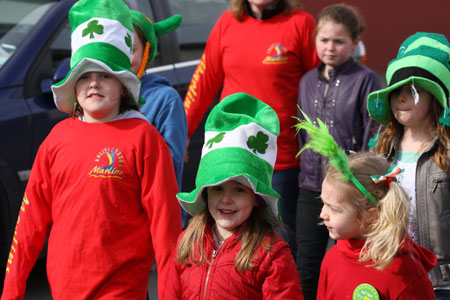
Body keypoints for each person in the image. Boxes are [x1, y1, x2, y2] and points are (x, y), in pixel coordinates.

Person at [1, 0, 181, 299]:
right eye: (84, 76)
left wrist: (171, 293)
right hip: (64, 289)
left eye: (106, 74)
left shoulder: (144, 137)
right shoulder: (56, 139)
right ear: (72, 86)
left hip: (123, 290)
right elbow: (28, 225)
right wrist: (12, 290)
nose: (94, 84)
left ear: (124, 84)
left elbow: (167, 228)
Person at [183, 0, 319, 259]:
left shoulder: (301, 24)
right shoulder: (227, 23)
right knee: (232, 241)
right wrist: (184, 132)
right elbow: (203, 81)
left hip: (280, 161)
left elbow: (320, 87)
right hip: (230, 156)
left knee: (279, 245)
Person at [164, 92, 304, 299]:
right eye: (217, 188)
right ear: (205, 193)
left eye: (239, 189)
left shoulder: (271, 254)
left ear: (257, 199)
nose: (226, 199)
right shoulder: (188, 242)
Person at [294, 113, 436, 299]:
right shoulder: (332, 258)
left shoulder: (403, 271)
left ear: (371, 215)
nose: (322, 214)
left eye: (334, 208)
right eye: (324, 204)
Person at [295, 4, 381, 299]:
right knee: (306, 262)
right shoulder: (306, 81)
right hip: (310, 187)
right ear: (315, 39)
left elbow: (374, 135)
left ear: (355, 43)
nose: (330, 47)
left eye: (339, 41)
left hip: (348, 188)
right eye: (324, 40)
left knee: (349, 258)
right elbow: (302, 133)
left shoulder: (366, 80)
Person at [368, 32, 450, 300]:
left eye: (412, 91)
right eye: (395, 91)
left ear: (435, 98)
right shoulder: (380, 150)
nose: (401, 98)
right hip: (393, 274)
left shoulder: (447, 152)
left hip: (440, 282)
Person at [130, 10, 189, 227]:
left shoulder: (165, 99)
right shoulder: (96, 99)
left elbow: (171, 168)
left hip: (154, 223)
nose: (124, 57)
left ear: (147, 52)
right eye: (117, 48)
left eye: (132, 49)